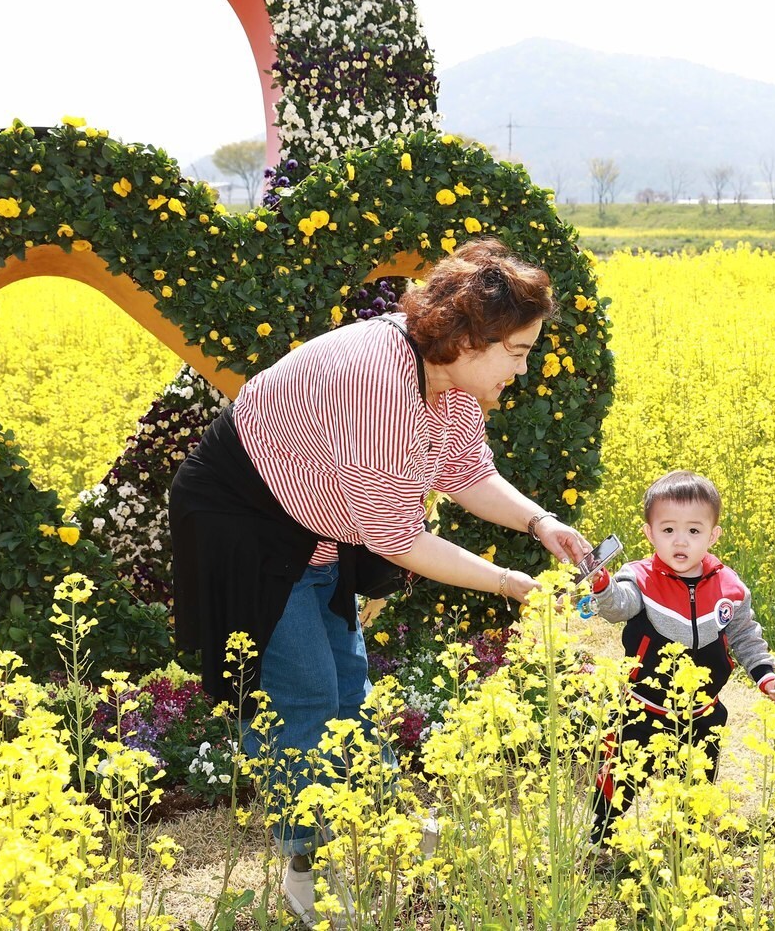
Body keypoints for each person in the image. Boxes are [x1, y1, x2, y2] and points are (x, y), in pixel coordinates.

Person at [170, 237, 591, 929]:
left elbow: (465, 473)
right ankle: (311, 865)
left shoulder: (446, 380)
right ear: (469, 338)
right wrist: (513, 584)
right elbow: (399, 537)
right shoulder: (381, 382)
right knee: (303, 688)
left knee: (349, 676)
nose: (522, 367)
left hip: (314, 522)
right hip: (240, 522)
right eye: (516, 351)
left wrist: (540, 523)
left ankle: (378, 826)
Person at [584, 470, 775, 852]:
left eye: (694, 531)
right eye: (669, 529)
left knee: (695, 783)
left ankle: (681, 847)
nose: (680, 541)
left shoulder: (730, 587)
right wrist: (601, 584)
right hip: (644, 707)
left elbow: (744, 636)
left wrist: (765, 676)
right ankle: (600, 835)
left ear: (713, 536)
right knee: (621, 774)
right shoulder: (639, 578)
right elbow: (617, 607)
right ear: (649, 533)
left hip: (702, 710)